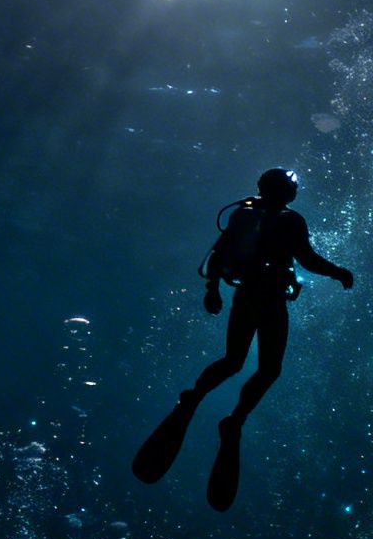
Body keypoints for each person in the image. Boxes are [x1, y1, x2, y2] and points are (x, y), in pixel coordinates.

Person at [133, 168, 354, 510]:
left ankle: (193, 398)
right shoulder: (290, 220)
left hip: (245, 295)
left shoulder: (242, 214)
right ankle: (234, 420)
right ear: (285, 191)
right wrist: (338, 272)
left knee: (232, 360)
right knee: (269, 369)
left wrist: (212, 290)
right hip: (270, 300)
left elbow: (218, 254)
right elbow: (306, 259)